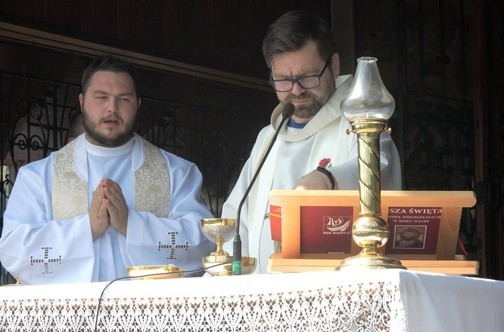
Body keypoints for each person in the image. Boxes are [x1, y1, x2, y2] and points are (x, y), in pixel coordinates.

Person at [0, 56, 215, 284]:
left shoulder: (178, 173)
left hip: (151, 314)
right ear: (81, 101)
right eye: (101, 97)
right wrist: (86, 229)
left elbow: (206, 243)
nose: (112, 108)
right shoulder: (38, 177)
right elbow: (14, 252)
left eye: (123, 98)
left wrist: (133, 225)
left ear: (138, 104)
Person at [221, 11, 402, 273]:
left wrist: (327, 179)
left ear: (334, 66)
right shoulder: (266, 139)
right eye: (283, 80)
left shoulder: (359, 120)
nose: (296, 90)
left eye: (307, 77)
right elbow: (237, 220)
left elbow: (379, 166)